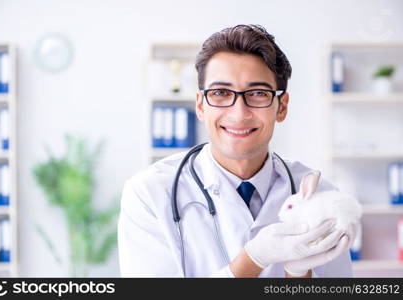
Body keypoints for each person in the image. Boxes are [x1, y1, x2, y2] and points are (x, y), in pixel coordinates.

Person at [118, 24, 356, 278]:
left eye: (257, 93)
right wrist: (253, 258)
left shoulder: (322, 195)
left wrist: (299, 275)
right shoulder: (149, 194)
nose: (239, 113)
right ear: (200, 106)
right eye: (220, 93)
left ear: (282, 107)